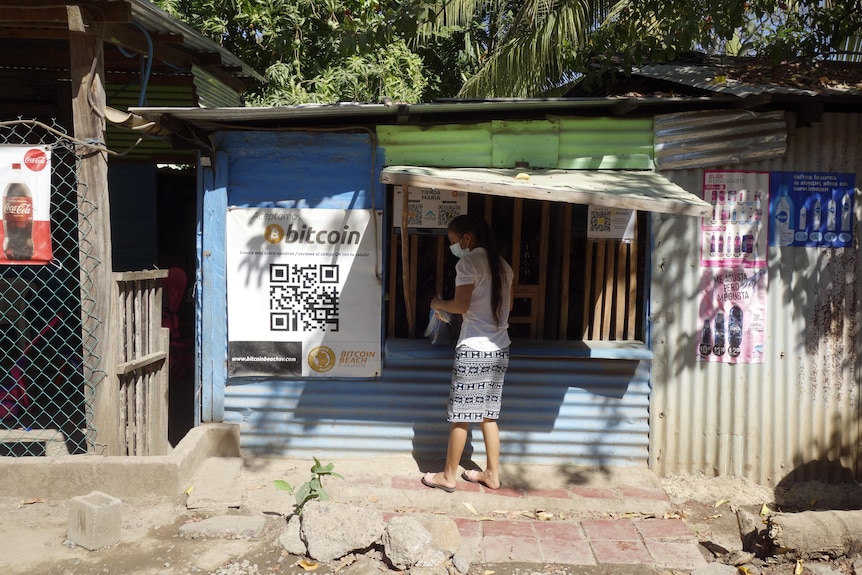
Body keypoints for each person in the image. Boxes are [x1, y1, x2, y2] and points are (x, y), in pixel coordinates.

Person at [421, 214, 514, 492]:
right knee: (488, 415)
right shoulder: (504, 266)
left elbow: (461, 306)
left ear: (467, 239)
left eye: (453, 241)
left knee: (461, 415)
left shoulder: (468, 262)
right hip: (500, 348)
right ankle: (491, 475)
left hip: (474, 348)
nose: (453, 247)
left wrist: (438, 302)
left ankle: (448, 476)